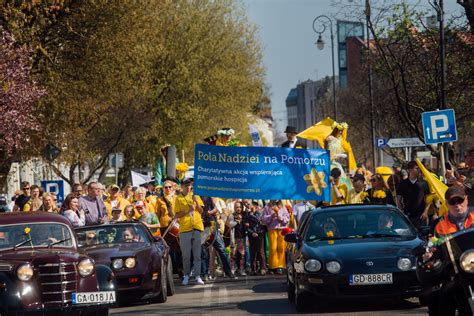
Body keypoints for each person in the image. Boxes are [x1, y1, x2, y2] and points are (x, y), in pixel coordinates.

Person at [422, 186, 472, 315]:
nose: (457, 205)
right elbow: (432, 244)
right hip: (453, 273)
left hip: (472, 268)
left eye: (460, 201)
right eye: (452, 202)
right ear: (446, 204)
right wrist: (429, 254)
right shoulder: (439, 224)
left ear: (467, 200)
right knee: (440, 296)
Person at [174, 178, 205, 285]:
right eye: (186, 186)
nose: (188, 187)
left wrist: (196, 201)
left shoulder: (196, 195)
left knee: (197, 255)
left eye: (189, 185)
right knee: (186, 255)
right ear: (182, 187)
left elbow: (201, 211)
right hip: (185, 229)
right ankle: (186, 275)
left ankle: (197, 276)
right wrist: (188, 210)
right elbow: (176, 215)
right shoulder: (178, 198)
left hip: (196, 227)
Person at [396, 161, 430, 229]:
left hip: (421, 217)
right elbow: (398, 200)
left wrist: (425, 212)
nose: (419, 170)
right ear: (410, 169)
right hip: (407, 216)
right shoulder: (402, 184)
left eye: (419, 168)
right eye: (416, 168)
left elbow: (428, 199)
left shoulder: (424, 183)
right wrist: (402, 212)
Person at [262, 200, 289, 274]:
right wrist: (271, 216)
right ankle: (273, 266)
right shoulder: (267, 207)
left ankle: (281, 266)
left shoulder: (283, 207)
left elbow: (287, 218)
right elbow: (263, 219)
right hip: (272, 229)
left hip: (281, 229)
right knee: (273, 248)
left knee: (281, 247)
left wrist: (280, 218)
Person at [247, 200, 266, 275]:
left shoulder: (260, 214)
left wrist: (258, 233)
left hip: (260, 235)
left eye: (250, 205)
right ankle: (253, 269)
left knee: (261, 252)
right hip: (251, 235)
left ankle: (263, 268)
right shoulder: (248, 215)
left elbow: (261, 223)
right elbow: (247, 226)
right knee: (252, 253)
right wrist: (252, 233)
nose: (249, 207)